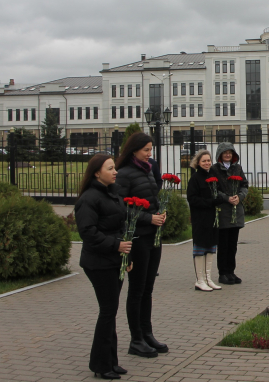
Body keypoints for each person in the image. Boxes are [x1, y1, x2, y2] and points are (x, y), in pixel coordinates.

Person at [74, 154, 131, 380]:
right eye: (110, 168)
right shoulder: (89, 198)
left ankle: (111, 361)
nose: (115, 171)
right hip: (98, 263)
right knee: (107, 311)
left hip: (114, 260)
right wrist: (116, 245)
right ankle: (100, 364)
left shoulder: (112, 193)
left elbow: (121, 223)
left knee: (111, 311)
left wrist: (127, 254)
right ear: (97, 173)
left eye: (115, 167)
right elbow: (88, 233)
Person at [115, 133, 168, 358]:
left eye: (151, 150)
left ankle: (147, 334)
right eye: (146, 150)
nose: (149, 154)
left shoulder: (147, 171)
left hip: (153, 237)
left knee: (148, 289)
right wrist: (148, 219)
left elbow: (151, 199)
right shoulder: (124, 174)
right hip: (137, 239)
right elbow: (119, 208)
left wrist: (159, 213)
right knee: (136, 290)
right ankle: (135, 339)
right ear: (134, 150)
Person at [211, 142, 248, 285]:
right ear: (220, 154)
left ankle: (231, 271)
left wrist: (239, 196)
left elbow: (244, 185)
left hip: (236, 210)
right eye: (225, 152)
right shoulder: (215, 169)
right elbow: (213, 188)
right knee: (223, 244)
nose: (227, 155)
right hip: (223, 210)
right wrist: (226, 198)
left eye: (230, 152)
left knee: (233, 244)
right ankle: (223, 273)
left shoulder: (237, 168)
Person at [186, 149, 223, 292]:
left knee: (211, 247)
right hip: (200, 218)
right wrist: (210, 202)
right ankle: (199, 280)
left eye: (208, 160)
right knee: (200, 248)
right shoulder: (195, 178)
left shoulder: (212, 176)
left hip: (212, 218)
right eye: (204, 161)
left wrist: (219, 199)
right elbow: (192, 199)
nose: (207, 163)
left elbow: (218, 192)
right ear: (198, 163)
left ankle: (208, 278)